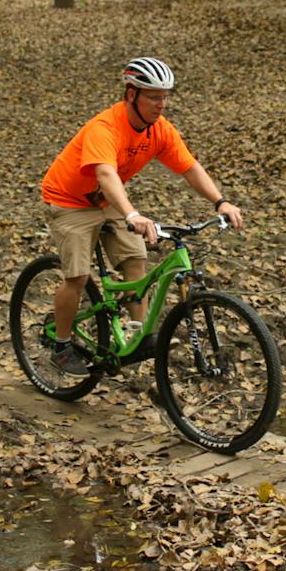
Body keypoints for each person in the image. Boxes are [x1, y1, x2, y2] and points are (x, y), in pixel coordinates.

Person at [39, 56, 245, 371]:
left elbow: (189, 168)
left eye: (165, 96)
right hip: (69, 200)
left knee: (136, 262)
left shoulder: (159, 130)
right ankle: (62, 345)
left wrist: (221, 202)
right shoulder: (105, 128)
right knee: (78, 277)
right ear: (131, 94)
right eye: (153, 96)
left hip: (107, 200)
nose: (161, 104)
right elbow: (106, 175)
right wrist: (133, 214)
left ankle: (137, 337)